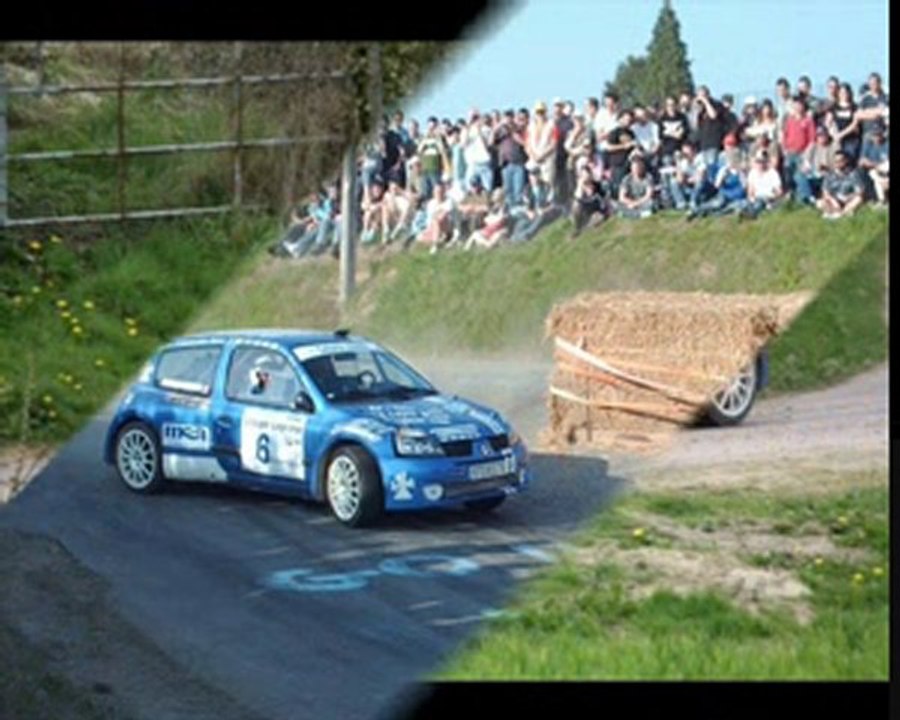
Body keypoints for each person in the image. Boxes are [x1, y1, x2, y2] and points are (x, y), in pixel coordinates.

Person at [686, 148, 747, 219]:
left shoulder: (741, 172)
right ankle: (696, 210)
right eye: (730, 159)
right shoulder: (724, 170)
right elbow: (717, 186)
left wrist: (742, 175)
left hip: (737, 197)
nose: (731, 161)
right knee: (718, 204)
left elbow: (744, 187)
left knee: (739, 205)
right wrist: (723, 178)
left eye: (734, 159)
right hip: (725, 195)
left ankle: (712, 213)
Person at [509, 166, 563, 243]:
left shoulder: (547, 187)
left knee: (541, 217)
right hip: (533, 212)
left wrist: (543, 210)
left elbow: (553, 204)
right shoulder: (527, 189)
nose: (533, 178)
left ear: (539, 176)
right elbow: (526, 205)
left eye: (535, 176)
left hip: (544, 212)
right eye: (531, 176)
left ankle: (527, 234)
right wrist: (529, 212)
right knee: (520, 217)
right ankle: (515, 236)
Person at [492, 108, 529, 210]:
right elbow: (491, 142)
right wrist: (498, 126)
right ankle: (510, 212)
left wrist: (512, 130)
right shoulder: (500, 131)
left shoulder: (519, 129)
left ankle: (518, 211)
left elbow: (524, 142)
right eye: (506, 117)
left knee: (518, 190)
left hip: (518, 163)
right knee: (508, 191)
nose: (508, 119)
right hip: (505, 164)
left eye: (510, 117)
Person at [781, 96, 815, 195]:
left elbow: (812, 139)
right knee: (788, 174)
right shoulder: (789, 120)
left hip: (802, 153)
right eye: (795, 105)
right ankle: (790, 194)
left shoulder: (808, 120)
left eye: (799, 105)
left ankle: (804, 195)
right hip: (790, 152)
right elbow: (785, 136)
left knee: (800, 175)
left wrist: (807, 153)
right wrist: (785, 149)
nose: (797, 107)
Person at [794, 125, 835, 205]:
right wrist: (803, 167)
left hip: (826, 175)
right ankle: (810, 197)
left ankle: (806, 197)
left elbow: (837, 164)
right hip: (813, 174)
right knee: (798, 175)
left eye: (823, 135)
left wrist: (826, 167)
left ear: (827, 135)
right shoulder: (813, 146)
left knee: (800, 189)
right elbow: (804, 160)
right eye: (819, 135)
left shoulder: (833, 146)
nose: (821, 137)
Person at [817, 150, 864, 219]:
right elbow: (825, 192)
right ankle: (837, 212)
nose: (838, 163)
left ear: (846, 161)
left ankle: (840, 213)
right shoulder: (829, 174)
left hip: (848, 199)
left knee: (859, 199)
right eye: (836, 161)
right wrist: (833, 201)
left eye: (840, 160)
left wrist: (849, 197)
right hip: (834, 199)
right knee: (819, 203)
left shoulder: (853, 173)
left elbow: (860, 191)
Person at [857, 72, 889, 164]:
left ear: (880, 83)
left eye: (875, 83)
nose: (873, 85)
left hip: (883, 134)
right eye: (871, 83)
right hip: (868, 134)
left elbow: (886, 112)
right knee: (863, 160)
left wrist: (868, 112)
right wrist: (876, 112)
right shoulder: (865, 99)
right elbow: (858, 115)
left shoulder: (886, 97)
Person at [665, 140, 707, 211]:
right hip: (690, 184)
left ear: (694, 150)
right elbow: (679, 179)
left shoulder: (701, 158)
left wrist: (688, 180)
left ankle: (693, 202)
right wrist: (678, 162)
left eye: (687, 152)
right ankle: (681, 203)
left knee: (699, 182)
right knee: (673, 181)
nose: (685, 155)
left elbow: (701, 176)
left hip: (703, 186)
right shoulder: (684, 161)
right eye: (684, 153)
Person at [604, 109, 638, 196]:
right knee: (618, 186)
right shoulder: (614, 132)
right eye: (626, 119)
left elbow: (633, 146)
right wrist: (623, 146)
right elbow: (608, 147)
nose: (628, 122)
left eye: (630, 120)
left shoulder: (631, 133)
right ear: (620, 119)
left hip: (629, 162)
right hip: (617, 163)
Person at [742, 150, 783, 219]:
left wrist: (773, 197)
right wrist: (751, 198)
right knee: (743, 203)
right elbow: (750, 190)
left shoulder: (772, 173)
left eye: (762, 162)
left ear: (765, 162)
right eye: (758, 162)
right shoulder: (752, 173)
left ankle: (751, 214)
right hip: (756, 197)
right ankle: (749, 212)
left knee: (759, 204)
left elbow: (779, 191)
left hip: (768, 198)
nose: (760, 164)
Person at [826, 83, 861, 164]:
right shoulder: (834, 107)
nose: (843, 95)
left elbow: (854, 124)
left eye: (845, 92)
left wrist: (841, 134)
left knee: (849, 161)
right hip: (837, 139)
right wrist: (833, 134)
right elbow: (828, 122)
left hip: (851, 139)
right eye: (841, 93)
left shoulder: (855, 107)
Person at [417, 181, 457, 252]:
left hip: (447, 227)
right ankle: (440, 240)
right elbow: (429, 220)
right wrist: (428, 230)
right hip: (434, 227)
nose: (438, 194)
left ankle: (435, 245)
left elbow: (443, 216)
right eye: (437, 191)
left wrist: (435, 219)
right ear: (433, 192)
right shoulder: (431, 204)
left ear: (444, 191)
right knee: (419, 237)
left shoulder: (449, 201)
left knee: (437, 220)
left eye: (440, 191)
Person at [570, 163, 607, 237]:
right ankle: (578, 228)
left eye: (587, 174)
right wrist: (582, 185)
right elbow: (578, 199)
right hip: (585, 210)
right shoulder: (579, 188)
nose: (586, 177)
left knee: (598, 218)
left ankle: (586, 226)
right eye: (583, 175)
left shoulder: (596, 185)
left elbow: (602, 200)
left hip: (596, 209)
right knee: (575, 205)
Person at [694, 85, 727, 165]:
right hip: (703, 144)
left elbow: (713, 115)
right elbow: (695, 124)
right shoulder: (701, 110)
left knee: (712, 166)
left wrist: (706, 102)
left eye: (703, 95)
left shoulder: (716, 105)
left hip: (713, 142)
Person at [463, 109, 494, 192]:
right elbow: (464, 144)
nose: (475, 119)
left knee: (487, 190)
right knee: (470, 189)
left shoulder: (487, 130)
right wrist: (468, 126)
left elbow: (488, 146)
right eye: (473, 117)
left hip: (485, 162)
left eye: (476, 117)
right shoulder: (466, 130)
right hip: (472, 164)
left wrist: (479, 131)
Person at [857, 128, 889, 204]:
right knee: (865, 171)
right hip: (874, 170)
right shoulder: (868, 145)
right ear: (871, 136)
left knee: (881, 172)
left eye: (878, 135)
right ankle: (876, 197)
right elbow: (861, 161)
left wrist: (877, 166)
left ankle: (881, 200)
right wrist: (876, 165)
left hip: (885, 169)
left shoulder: (887, 144)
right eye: (874, 135)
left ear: (882, 135)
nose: (876, 137)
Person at [658, 95, 690, 166]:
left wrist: (669, 133)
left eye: (673, 105)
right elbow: (660, 135)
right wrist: (674, 133)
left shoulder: (682, 117)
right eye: (668, 105)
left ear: (676, 105)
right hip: (667, 151)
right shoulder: (662, 119)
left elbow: (685, 132)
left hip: (680, 150)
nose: (671, 107)